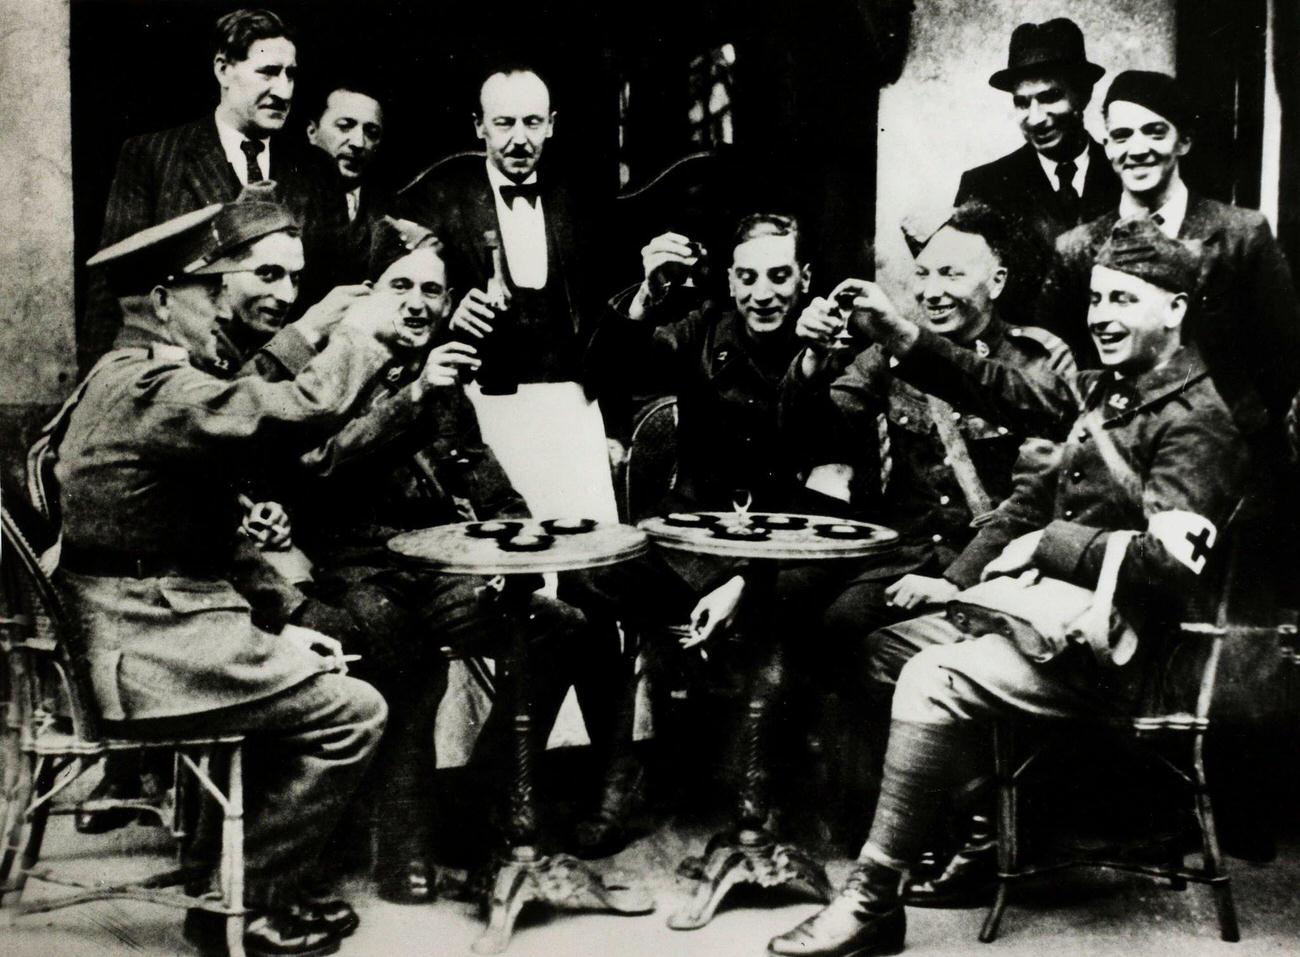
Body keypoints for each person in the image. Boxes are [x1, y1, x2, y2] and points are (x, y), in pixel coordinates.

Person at [768, 217, 1244, 957]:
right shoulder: (1107, 391)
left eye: (1126, 301)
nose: (1103, 318)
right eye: (1097, 301)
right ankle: (976, 825)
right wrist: (898, 333)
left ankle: (871, 899)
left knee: (928, 675)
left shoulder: (1197, 423)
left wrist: (1046, 543)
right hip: (1059, 627)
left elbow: (1171, 565)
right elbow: (1000, 391)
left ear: (1175, 310)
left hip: (1127, 661)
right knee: (886, 642)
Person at [48, 201, 411, 957]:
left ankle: (239, 879)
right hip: (147, 646)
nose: (228, 312)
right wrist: (365, 331)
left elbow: (172, 512)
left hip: (143, 623)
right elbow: (296, 408)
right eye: (217, 294)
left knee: (323, 658)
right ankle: (247, 904)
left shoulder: (118, 378)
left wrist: (274, 605)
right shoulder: (157, 389)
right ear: (162, 302)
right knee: (354, 711)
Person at [248, 216, 625, 902]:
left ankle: (476, 804)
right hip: (354, 574)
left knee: (561, 627)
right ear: (369, 295)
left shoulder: (443, 375)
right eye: (401, 286)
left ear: (450, 302)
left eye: (432, 289)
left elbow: (484, 475)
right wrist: (412, 394)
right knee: (405, 649)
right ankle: (405, 845)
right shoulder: (334, 370)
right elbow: (314, 471)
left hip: (438, 572)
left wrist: (525, 535)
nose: (418, 303)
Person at [565, 212, 829, 856]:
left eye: (778, 276)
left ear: (805, 279)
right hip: (693, 553)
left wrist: (745, 580)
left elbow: (823, 496)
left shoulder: (830, 343)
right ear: (730, 280)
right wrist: (647, 294)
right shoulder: (704, 328)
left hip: (785, 562)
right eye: (747, 277)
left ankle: (760, 804)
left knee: (777, 625)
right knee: (587, 580)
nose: (761, 294)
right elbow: (602, 370)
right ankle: (620, 774)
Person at [1036, 69, 1300, 418]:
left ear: (1184, 141)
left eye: (1155, 132)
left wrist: (1238, 429)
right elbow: (1054, 363)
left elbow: (1285, 353)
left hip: (1220, 447)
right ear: (1108, 146)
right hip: (1116, 446)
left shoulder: (1242, 234)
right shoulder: (1077, 248)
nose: (1138, 149)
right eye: (1122, 136)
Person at [83, 8, 330, 367]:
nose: (283, 90)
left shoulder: (314, 169)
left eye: (291, 75)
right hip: (183, 383)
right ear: (223, 70)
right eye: (268, 72)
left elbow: (332, 282)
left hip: (285, 385)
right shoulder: (152, 156)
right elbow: (111, 290)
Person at [398, 65, 606, 388]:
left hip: (571, 401)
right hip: (476, 402)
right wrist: (446, 316)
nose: (520, 139)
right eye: (505, 123)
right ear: (480, 126)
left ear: (550, 125)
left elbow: (604, 325)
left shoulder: (581, 207)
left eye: (532, 123)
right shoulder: (441, 205)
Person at [954, 18, 1120, 328]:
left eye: (1049, 97)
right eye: (1022, 103)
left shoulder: (1126, 177)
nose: (1035, 118)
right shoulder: (984, 186)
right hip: (1023, 368)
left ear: (1082, 95)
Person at [303, 81, 393, 292]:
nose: (359, 143)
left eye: (371, 132)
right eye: (345, 126)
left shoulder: (393, 212)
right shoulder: (283, 198)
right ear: (312, 131)